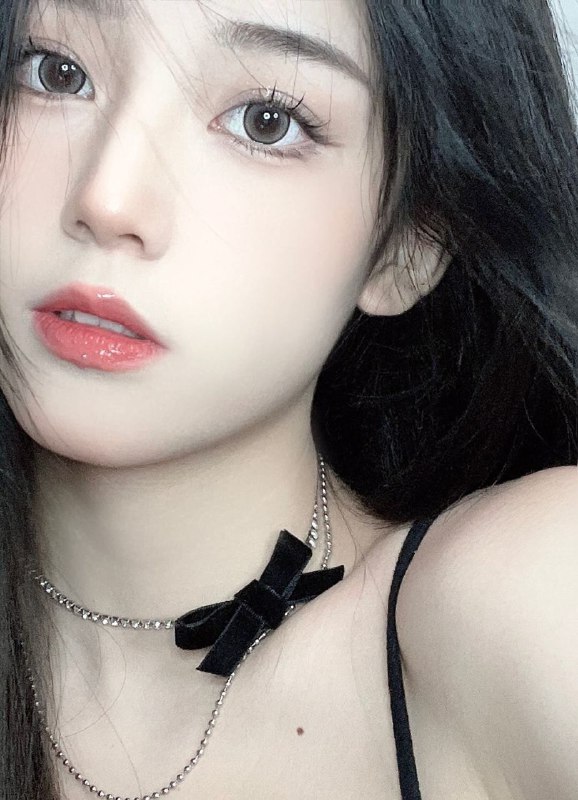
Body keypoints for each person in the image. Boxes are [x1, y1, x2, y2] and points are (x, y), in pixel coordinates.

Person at [0, 0, 576, 797]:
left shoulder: (532, 599)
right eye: (56, 73)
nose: (109, 200)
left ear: (408, 247)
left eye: (266, 122)